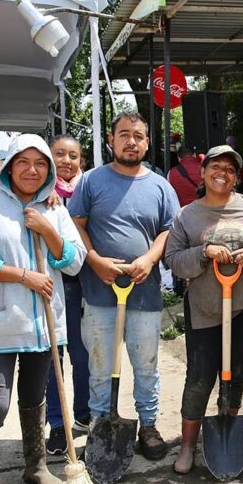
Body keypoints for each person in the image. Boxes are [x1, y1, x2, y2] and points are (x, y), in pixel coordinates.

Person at [0, 134, 86, 484]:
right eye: (23, 162)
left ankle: (36, 465)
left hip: (45, 323)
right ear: (10, 166)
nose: (32, 170)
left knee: (35, 396)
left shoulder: (55, 209)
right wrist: (23, 275)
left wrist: (48, 231)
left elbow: (74, 263)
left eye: (40, 163)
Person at [69, 112, 180, 460]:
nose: (131, 141)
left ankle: (148, 425)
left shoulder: (161, 186)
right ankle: (102, 426)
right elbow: (76, 224)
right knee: (100, 366)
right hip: (101, 293)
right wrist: (94, 260)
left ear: (147, 142)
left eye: (138, 135)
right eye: (124, 135)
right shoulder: (90, 181)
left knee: (146, 364)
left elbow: (168, 230)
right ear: (110, 141)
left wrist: (149, 259)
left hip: (144, 296)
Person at [164, 145, 243, 474]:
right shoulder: (187, 215)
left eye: (229, 168)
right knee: (199, 377)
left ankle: (226, 428)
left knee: (236, 372)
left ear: (236, 175)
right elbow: (173, 261)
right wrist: (204, 251)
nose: (221, 173)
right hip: (205, 309)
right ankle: (186, 447)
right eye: (215, 167)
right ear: (203, 172)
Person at [44, 135, 91, 455]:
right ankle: (57, 424)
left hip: (86, 285)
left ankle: (85, 414)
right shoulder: (39, 192)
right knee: (53, 361)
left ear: (82, 162)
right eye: (59, 154)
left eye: (72, 156)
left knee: (83, 354)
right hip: (52, 283)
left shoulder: (90, 189)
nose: (66, 161)